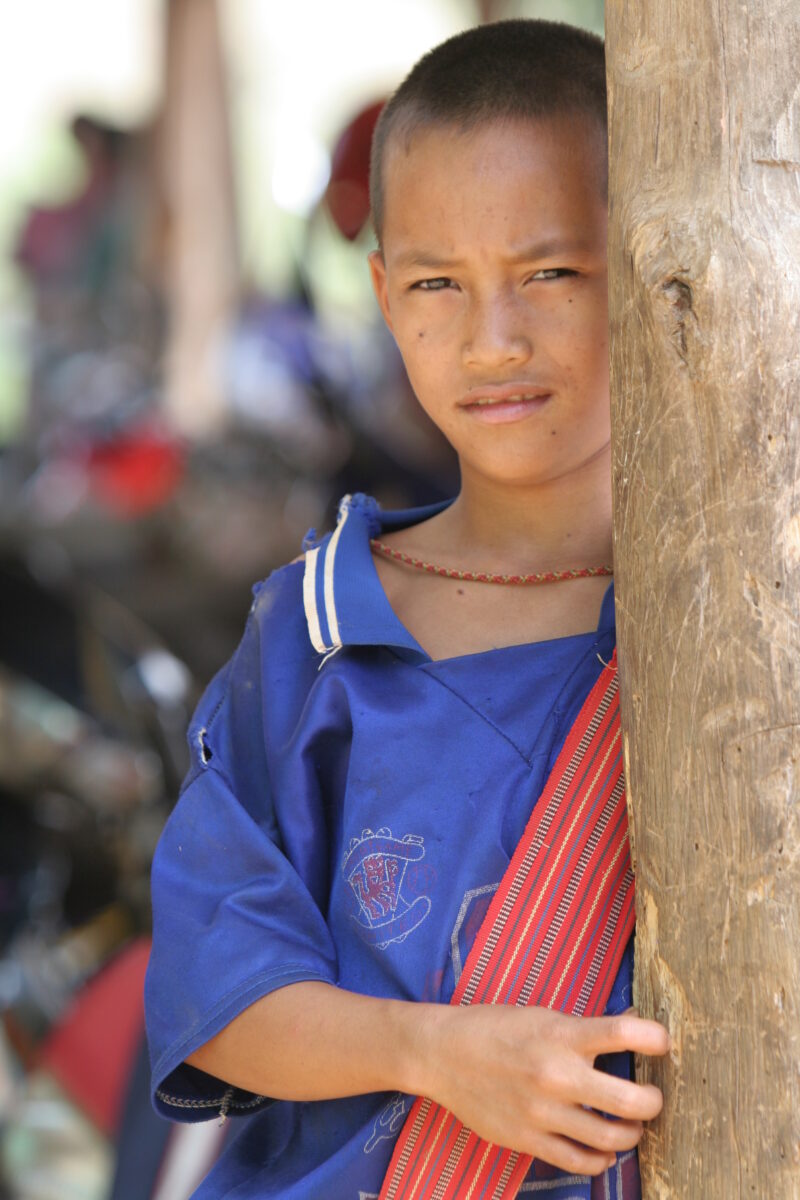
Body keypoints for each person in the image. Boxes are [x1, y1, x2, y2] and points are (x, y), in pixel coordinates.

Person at [145, 19, 671, 1200]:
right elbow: (218, 993)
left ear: (645, 259)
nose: (493, 341)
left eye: (550, 271)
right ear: (383, 294)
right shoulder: (315, 635)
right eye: (438, 282)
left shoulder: (740, 630)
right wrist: (436, 1058)